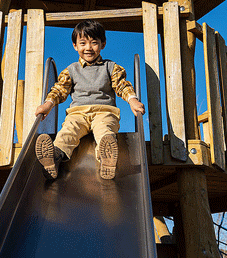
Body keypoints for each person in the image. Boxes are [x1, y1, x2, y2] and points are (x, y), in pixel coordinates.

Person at [35, 19, 145, 180]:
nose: (88, 48)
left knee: (105, 131)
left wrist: (133, 100)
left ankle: (106, 159)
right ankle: (54, 157)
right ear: (75, 45)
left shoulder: (110, 67)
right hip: (77, 113)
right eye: (83, 43)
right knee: (68, 131)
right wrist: (47, 104)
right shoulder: (71, 70)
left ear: (103, 44)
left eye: (94, 43)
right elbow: (59, 90)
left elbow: (122, 85)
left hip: (104, 111)